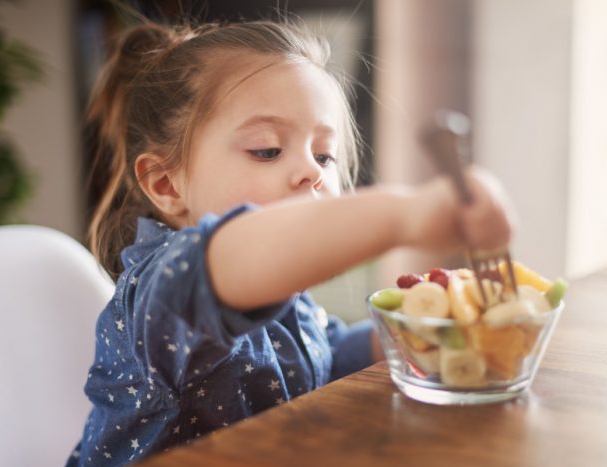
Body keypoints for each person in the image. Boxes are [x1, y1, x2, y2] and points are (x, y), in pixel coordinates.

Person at [67, 19, 514, 466]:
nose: (313, 172)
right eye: (266, 150)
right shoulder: (162, 291)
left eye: (323, 155)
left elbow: (323, 357)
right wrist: (404, 213)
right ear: (166, 184)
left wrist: (412, 330)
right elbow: (237, 253)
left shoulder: (279, 286)